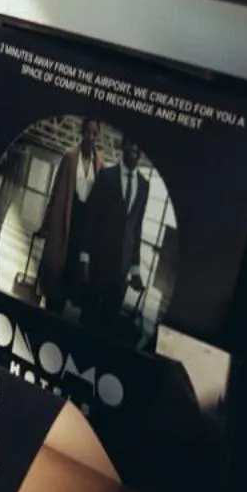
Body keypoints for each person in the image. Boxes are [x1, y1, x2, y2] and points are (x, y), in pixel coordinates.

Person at [86, 137, 151, 340]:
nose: (136, 149)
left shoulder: (143, 185)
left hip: (122, 268)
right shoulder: (106, 175)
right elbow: (91, 217)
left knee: (108, 322)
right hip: (99, 259)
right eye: (132, 144)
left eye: (139, 147)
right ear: (123, 146)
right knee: (87, 316)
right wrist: (83, 257)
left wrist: (135, 268)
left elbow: (136, 227)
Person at [37, 118, 102, 315]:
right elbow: (56, 190)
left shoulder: (100, 164)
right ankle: (50, 308)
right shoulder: (69, 156)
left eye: (94, 133)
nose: (90, 137)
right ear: (81, 133)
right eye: (87, 132)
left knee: (72, 275)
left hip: (84, 228)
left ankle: (60, 307)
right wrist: (45, 225)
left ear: (98, 136)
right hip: (65, 218)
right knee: (56, 268)